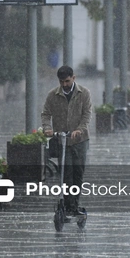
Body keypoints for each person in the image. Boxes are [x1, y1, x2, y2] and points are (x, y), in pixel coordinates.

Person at [41, 65, 92, 216]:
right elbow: (45, 114)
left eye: (67, 81)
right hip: (62, 141)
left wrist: (79, 129)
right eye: (61, 82)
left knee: (78, 174)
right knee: (65, 174)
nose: (64, 85)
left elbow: (87, 115)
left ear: (73, 78)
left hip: (80, 141)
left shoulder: (84, 94)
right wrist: (47, 128)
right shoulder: (52, 95)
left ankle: (74, 205)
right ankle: (68, 204)